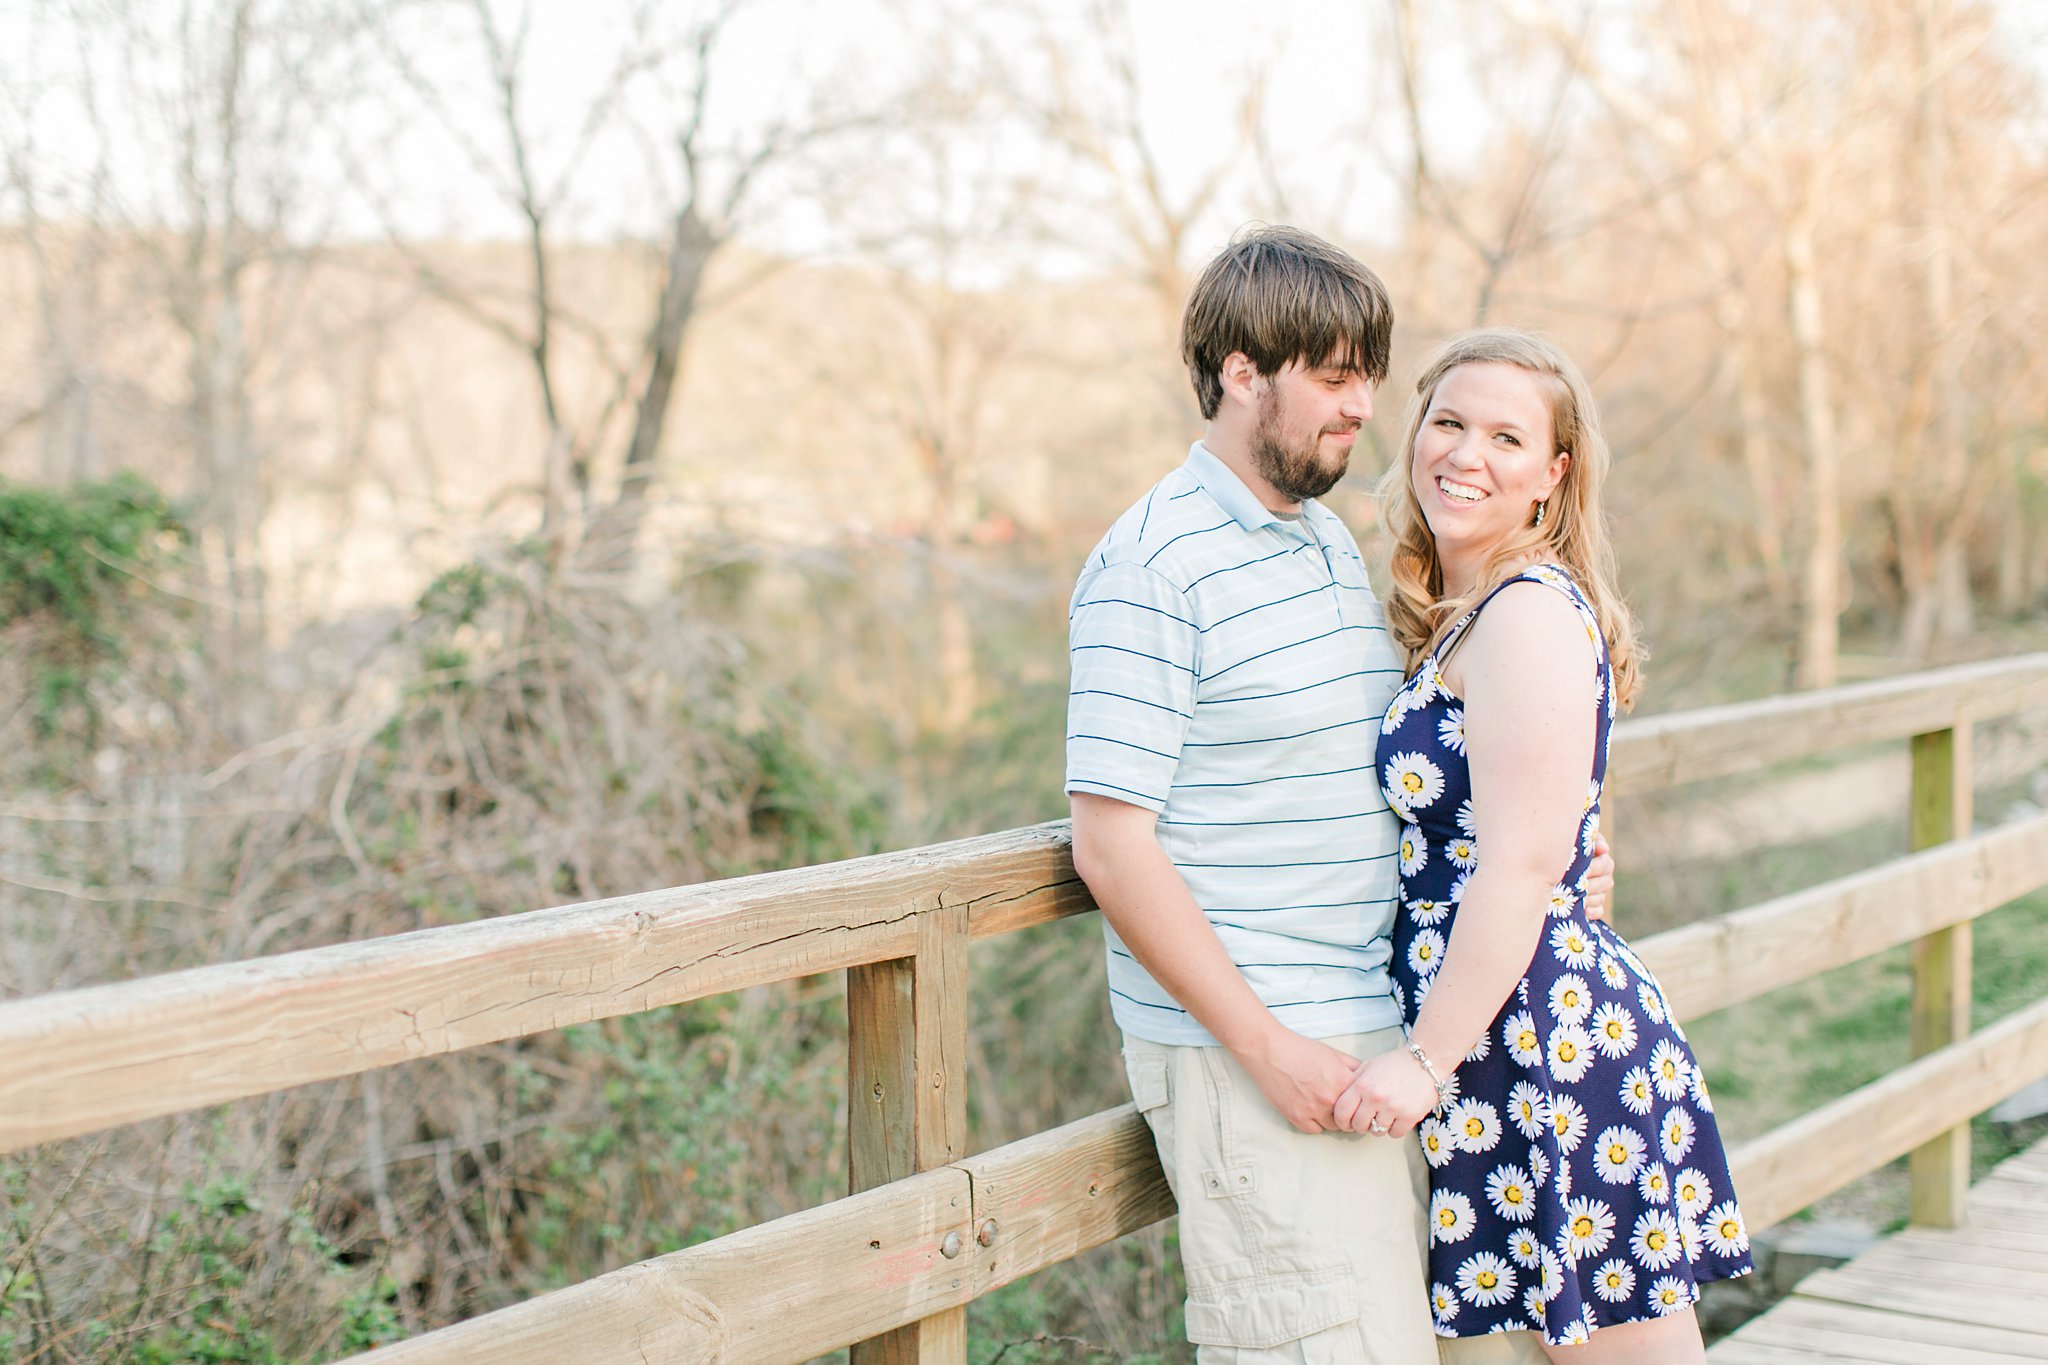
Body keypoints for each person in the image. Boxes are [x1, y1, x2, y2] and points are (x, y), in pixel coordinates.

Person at [1065, 227, 1612, 1363]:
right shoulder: (1150, 565)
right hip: (1258, 1055)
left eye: (1369, 374)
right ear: (1239, 373)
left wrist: (1555, 859)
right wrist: (1264, 1047)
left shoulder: (1316, 541)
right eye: (1331, 373)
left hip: (1387, 1033)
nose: (1363, 405)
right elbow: (1110, 849)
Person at [1333, 329, 1753, 1362]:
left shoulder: (1524, 614)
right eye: (1448, 422)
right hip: (1488, 1038)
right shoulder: (1459, 615)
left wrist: (1425, 1061)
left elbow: (1519, 864)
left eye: (1505, 437)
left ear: (1550, 475)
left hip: (1539, 1046)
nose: (1465, 454)